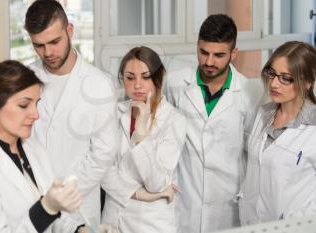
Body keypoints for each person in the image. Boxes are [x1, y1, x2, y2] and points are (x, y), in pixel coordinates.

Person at [24, 1, 125, 231]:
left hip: (77, 205)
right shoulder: (25, 78)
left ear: (70, 30)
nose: (47, 52)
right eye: (38, 45)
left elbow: (103, 153)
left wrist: (63, 196)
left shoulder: (99, 84)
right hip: (31, 202)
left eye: (54, 42)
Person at [166, 14, 262, 233]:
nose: (209, 62)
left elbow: (251, 152)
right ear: (197, 46)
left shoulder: (249, 93)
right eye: (203, 52)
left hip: (228, 205)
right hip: (185, 200)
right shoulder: (174, 84)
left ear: (233, 53)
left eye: (218, 55)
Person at [0, 60, 82, 233]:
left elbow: (56, 216)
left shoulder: (33, 148)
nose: (36, 114)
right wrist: (45, 209)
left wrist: (79, 230)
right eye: (23, 105)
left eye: (36, 103)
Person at [101, 46, 187, 233]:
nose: (137, 85)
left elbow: (156, 183)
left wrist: (141, 139)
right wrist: (141, 194)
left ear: (159, 77)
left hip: (151, 225)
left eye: (146, 77)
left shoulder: (175, 121)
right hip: (112, 220)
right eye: (130, 77)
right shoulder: (113, 113)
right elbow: (102, 169)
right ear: (122, 79)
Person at [239, 41, 316, 225]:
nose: (274, 83)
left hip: (294, 227)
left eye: (285, 78)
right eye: (272, 74)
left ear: (307, 83)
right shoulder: (263, 113)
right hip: (251, 224)